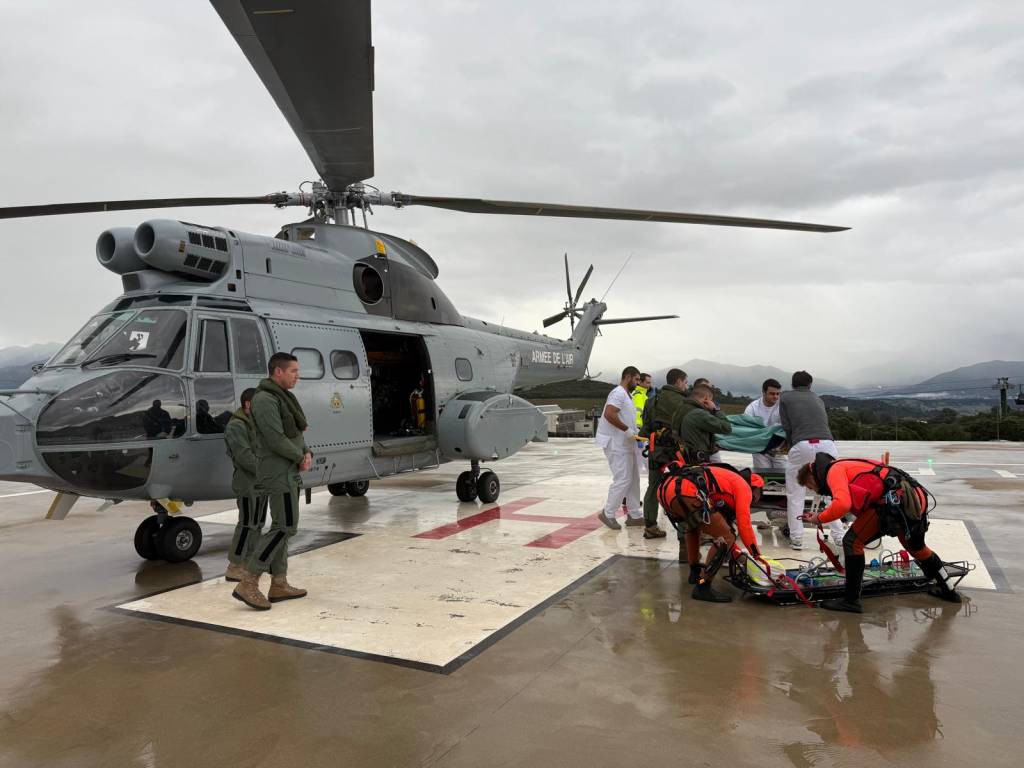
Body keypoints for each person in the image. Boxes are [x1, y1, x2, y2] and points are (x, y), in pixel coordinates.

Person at [798, 455, 962, 613]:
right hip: (914, 496)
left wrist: (818, 518)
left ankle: (850, 601)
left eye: (811, 487)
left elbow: (842, 504)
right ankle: (949, 591)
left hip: (895, 500)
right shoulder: (842, 464)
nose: (815, 492)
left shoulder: (833, 471)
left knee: (852, 542)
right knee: (917, 549)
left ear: (811, 477)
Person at [232, 352, 313, 610]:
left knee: (283, 525)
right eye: (293, 371)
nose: (297, 376)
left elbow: (294, 435)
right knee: (285, 526)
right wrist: (300, 456)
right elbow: (275, 438)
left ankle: (278, 582)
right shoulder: (265, 399)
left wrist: (307, 451)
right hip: (278, 472)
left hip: (287, 469)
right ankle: (249, 580)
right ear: (278, 372)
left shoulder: (283, 398)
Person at [657, 462, 765, 602]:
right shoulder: (744, 488)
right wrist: (757, 555)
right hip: (684, 491)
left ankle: (695, 573)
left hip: (666, 490)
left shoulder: (727, 483)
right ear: (756, 489)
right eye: (759, 494)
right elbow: (744, 527)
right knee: (726, 537)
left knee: (694, 527)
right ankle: (703, 585)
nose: (755, 500)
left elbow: (724, 535)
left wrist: (743, 558)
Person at [778, 371, 844, 550]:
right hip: (827, 444)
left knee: (795, 494)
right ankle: (839, 536)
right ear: (810, 385)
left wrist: (790, 446)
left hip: (802, 444)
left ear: (792, 385)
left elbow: (787, 426)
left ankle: (797, 538)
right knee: (831, 492)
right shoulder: (818, 399)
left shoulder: (785, 398)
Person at [638, 368, 688, 539]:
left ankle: (650, 526)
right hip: (677, 453)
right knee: (682, 488)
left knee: (653, 487)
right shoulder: (684, 402)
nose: (686, 386)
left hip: (655, 451)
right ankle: (684, 530)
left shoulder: (652, 400)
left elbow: (645, 430)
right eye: (685, 382)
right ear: (679, 381)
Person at [224, 388, 267, 583]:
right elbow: (244, 457)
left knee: (258, 524)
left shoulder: (255, 424)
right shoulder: (237, 426)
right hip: (248, 483)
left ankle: (249, 562)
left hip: (262, 483)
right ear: (248, 404)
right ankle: (234, 565)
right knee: (247, 523)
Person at [595, 366, 643, 530]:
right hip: (616, 444)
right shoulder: (618, 393)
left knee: (633, 478)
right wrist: (626, 430)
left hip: (625, 444)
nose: (638, 383)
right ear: (628, 377)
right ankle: (607, 513)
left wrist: (634, 433)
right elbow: (610, 414)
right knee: (623, 479)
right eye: (636, 379)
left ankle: (634, 514)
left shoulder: (627, 395)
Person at [743, 378, 786, 470]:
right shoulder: (752, 408)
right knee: (763, 474)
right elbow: (746, 429)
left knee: (783, 474)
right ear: (763, 392)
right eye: (772, 393)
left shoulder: (782, 406)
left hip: (777, 448)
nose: (775, 396)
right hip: (759, 448)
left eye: (778, 394)